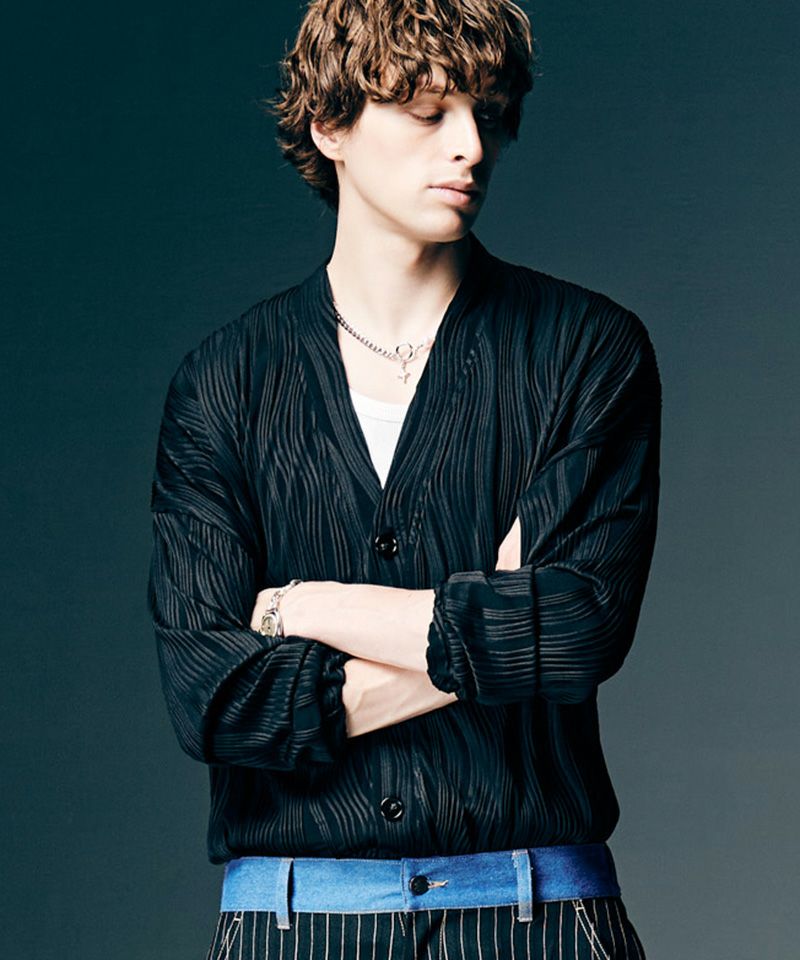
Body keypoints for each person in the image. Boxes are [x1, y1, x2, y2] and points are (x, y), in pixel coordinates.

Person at [147, 0, 661, 957]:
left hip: (538, 918)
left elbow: (576, 627)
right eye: (429, 113)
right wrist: (493, 624)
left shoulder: (585, 351)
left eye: (487, 112)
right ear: (330, 124)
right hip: (294, 926)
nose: (471, 146)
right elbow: (213, 700)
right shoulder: (224, 383)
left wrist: (301, 608)